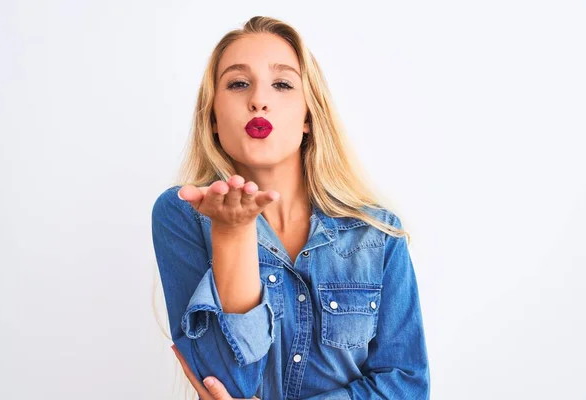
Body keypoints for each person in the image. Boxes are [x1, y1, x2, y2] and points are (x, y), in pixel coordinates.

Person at [151, 15, 430, 400]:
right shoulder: (184, 213)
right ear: (213, 117)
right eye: (237, 83)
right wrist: (233, 234)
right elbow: (226, 384)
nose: (258, 100)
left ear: (308, 118)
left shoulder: (376, 234)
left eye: (282, 84)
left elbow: (407, 386)